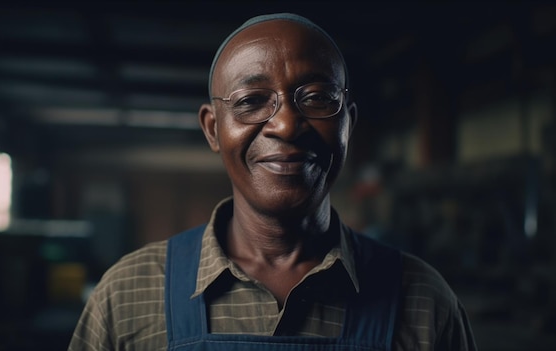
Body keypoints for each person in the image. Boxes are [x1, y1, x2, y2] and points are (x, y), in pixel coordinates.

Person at [68, 13, 477, 351]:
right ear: (213, 129)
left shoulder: (423, 301)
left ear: (348, 124)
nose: (285, 125)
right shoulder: (128, 295)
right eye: (251, 101)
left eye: (316, 97)